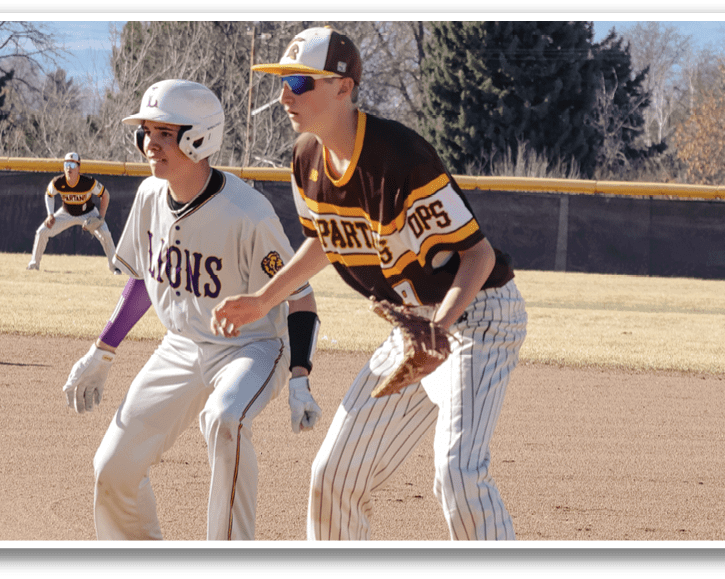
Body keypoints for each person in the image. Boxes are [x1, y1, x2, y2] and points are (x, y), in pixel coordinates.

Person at [212, 26, 528, 541]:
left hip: (474, 319)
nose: (285, 95)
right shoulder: (305, 158)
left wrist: (439, 329)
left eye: (299, 82)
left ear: (343, 87)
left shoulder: (400, 156)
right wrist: (264, 298)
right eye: (282, 83)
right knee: (333, 477)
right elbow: (324, 240)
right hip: (412, 327)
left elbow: (478, 255)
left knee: (457, 473)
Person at [58, 79, 322, 541]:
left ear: (199, 137)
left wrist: (300, 373)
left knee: (224, 418)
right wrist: (103, 352)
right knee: (113, 467)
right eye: (145, 132)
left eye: (164, 133)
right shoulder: (147, 198)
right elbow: (143, 277)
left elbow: (300, 294)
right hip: (181, 346)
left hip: (253, 345)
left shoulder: (247, 213)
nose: (149, 145)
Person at [28, 152, 117, 272]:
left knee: (105, 234)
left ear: (79, 168)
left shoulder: (88, 182)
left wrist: (101, 217)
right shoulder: (58, 182)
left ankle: (115, 267)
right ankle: (34, 265)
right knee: (41, 232)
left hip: (88, 213)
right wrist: (50, 214)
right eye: (67, 164)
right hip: (66, 213)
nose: (69, 168)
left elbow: (105, 194)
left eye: (73, 165)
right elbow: (49, 195)